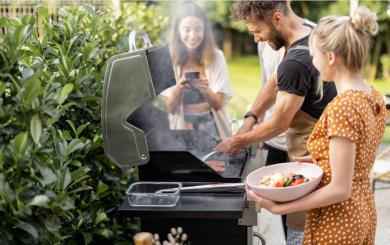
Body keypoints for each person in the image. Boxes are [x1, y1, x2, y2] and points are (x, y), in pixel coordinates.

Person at [247, 7, 385, 244]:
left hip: (338, 219)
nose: (313, 61)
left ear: (330, 57)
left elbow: (340, 189)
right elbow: (358, 154)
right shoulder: (373, 96)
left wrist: (283, 207)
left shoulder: (343, 106)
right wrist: (318, 159)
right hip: (363, 210)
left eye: (314, 55)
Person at [214, 1, 336, 243]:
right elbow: (273, 83)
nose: (257, 39)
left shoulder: (296, 62)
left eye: (258, 31)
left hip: (314, 162)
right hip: (322, 157)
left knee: (302, 235)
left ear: (277, 19)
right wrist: (250, 119)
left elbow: (279, 123)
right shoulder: (308, 38)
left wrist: (236, 142)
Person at [162, 2, 232, 154]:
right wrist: (179, 89)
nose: (193, 35)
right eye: (187, 29)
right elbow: (170, 108)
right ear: (178, 31)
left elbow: (218, 105)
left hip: (212, 127)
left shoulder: (216, 57)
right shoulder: (168, 59)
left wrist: (206, 90)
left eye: (198, 29)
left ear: (205, 30)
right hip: (181, 128)